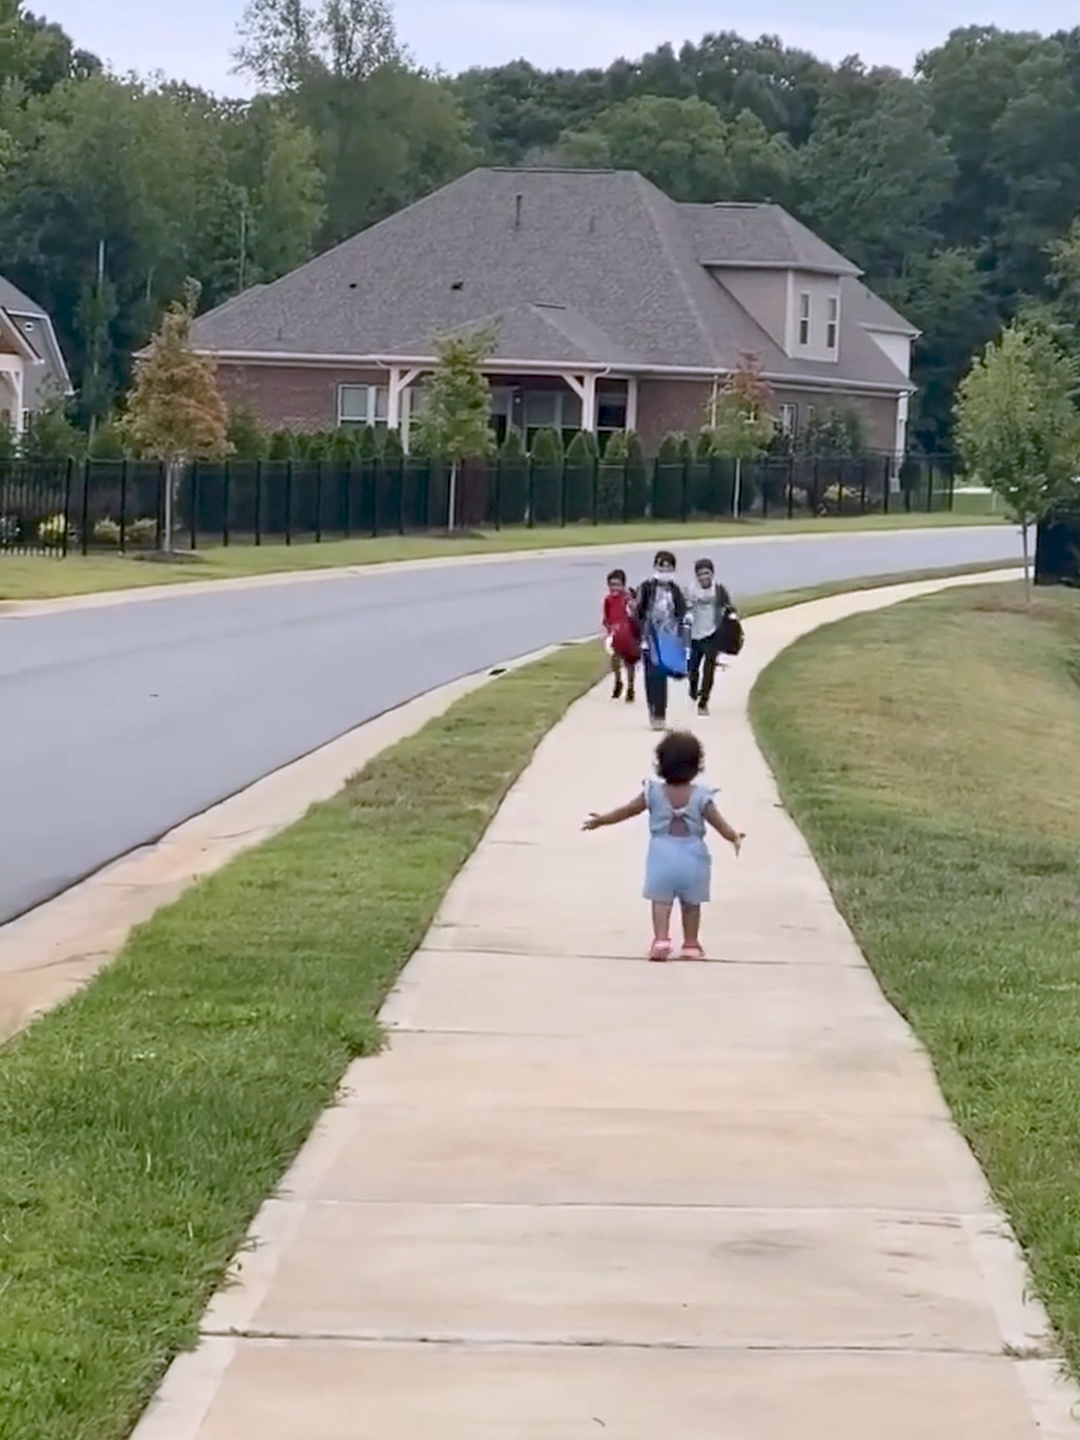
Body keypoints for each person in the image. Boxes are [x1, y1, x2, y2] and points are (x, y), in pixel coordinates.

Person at [583, 730, 744, 962]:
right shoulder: (701, 797)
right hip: (693, 857)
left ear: (661, 763)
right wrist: (734, 837)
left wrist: (602, 820)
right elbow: (719, 823)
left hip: (662, 856)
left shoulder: (653, 792)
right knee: (691, 903)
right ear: (697, 765)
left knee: (661, 901)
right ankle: (690, 943)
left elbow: (628, 810)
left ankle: (661, 939)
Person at [633, 550, 688, 731]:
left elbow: (682, 612)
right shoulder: (646, 588)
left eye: (668, 567)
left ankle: (660, 714)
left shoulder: (675, 590)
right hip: (650, 638)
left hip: (668, 639)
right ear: (655, 566)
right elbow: (638, 612)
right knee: (651, 675)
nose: (664, 570)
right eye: (661, 566)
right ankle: (653, 710)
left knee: (662, 675)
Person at [686, 558, 733, 717]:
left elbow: (728, 607)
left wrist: (730, 616)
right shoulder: (690, 591)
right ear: (696, 576)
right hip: (695, 634)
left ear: (712, 573)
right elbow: (684, 609)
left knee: (709, 669)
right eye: (700, 574)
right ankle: (693, 687)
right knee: (692, 669)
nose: (704, 577)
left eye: (707, 573)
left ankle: (703, 701)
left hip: (713, 634)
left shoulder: (719, 590)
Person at [601, 569, 639, 703]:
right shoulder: (608, 600)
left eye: (617, 585)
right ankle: (618, 681)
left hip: (628, 634)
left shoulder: (627, 599)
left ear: (623, 585)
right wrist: (609, 628)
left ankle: (630, 687)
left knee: (629, 663)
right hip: (615, 634)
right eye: (612, 585)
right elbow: (606, 617)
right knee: (615, 659)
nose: (614, 588)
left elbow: (635, 614)